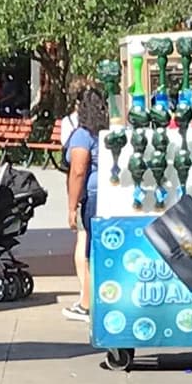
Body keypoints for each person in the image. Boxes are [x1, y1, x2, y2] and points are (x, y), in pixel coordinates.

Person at [62, 86, 108, 323]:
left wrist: (71, 206)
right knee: (103, 249)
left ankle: (87, 303)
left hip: (91, 195)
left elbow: (78, 170)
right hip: (110, 193)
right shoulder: (108, 132)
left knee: (87, 247)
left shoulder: (82, 135)